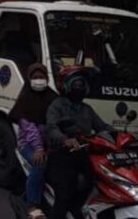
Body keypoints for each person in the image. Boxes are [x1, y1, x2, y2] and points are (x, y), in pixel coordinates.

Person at [45, 67, 112, 219]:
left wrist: (120, 135)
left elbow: (102, 126)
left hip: (83, 154)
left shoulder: (87, 109)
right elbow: (51, 128)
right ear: (67, 86)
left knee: (95, 183)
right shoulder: (57, 106)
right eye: (76, 85)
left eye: (82, 85)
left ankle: (77, 208)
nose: (79, 88)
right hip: (60, 155)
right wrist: (64, 139)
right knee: (64, 193)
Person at [9, 63, 57, 219]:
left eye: (41, 77)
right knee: (40, 163)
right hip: (29, 145)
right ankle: (32, 205)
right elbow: (30, 129)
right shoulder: (25, 100)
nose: (38, 80)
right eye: (35, 78)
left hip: (50, 143)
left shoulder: (53, 98)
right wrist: (38, 148)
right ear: (29, 79)